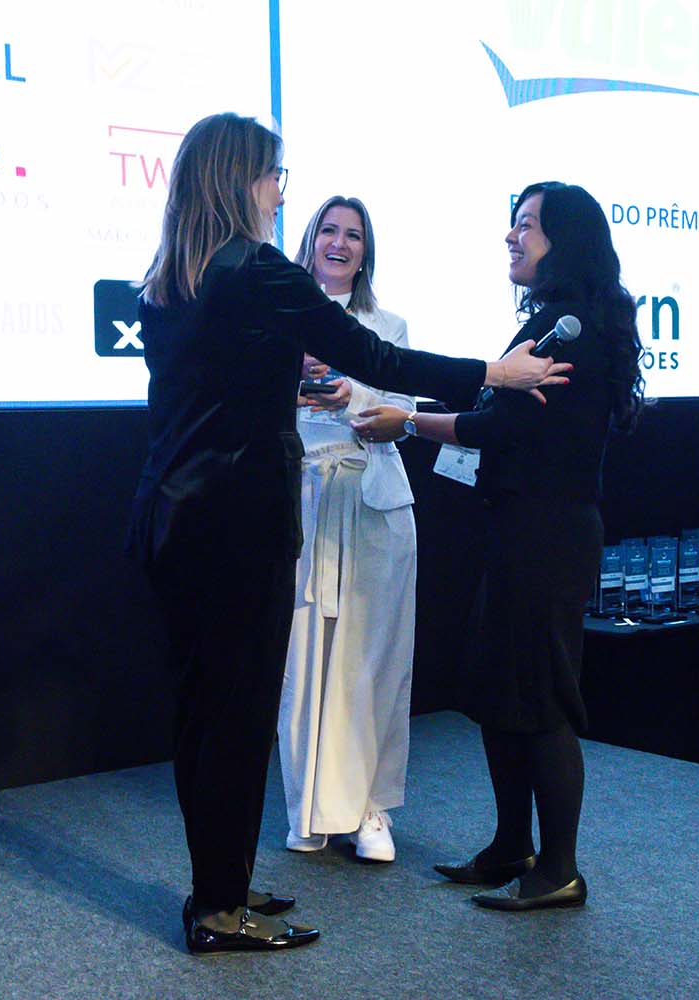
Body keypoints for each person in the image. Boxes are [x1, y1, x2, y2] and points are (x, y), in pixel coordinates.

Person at [124, 113, 569, 953]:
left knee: (204, 715)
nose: (279, 193)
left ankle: (220, 885)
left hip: (174, 518)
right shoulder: (259, 269)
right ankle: (219, 911)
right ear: (239, 179)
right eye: (274, 176)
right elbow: (378, 359)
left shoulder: (169, 278)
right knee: (237, 717)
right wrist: (494, 373)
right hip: (238, 523)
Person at [351, 182, 643, 911]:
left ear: (565, 240)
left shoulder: (570, 328)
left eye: (527, 226)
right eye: (512, 224)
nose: (512, 237)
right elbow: (493, 408)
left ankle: (559, 869)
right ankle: (512, 846)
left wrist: (405, 422)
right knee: (500, 692)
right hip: (521, 529)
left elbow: (496, 426)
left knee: (540, 699)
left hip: (547, 535)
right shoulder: (555, 321)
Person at [279, 197, 415, 863]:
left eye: (353, 235)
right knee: (302, 662)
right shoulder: (276, 318)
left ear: (366, 252)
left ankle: (368, 808)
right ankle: (308, 805)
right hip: (299, 501)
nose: (340, 243)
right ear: (309, 242)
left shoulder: (388, 326)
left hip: (373, 500)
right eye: (329, 230)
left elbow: (406, 411)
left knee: (371, 663)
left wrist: (352, 395)